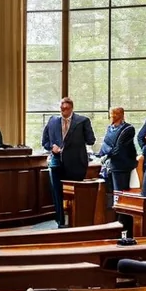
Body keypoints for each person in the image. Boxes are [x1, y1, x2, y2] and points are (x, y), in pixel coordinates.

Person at [41, 97, 96, 227]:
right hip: (56, 162)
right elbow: (45, 141)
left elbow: (91, 140)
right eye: (61, 108)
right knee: (57, 193)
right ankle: (60, 221)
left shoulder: (82, 121)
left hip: (76, 162)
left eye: (65, 109)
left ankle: (78, 221)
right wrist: (51, 147)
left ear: (71, 108)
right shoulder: (53, 121)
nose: (63, 111)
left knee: (76, 194)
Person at [98, 106, 137, 197]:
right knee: (110, 192)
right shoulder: (109, 128)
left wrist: (108, 150)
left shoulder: (128, 129)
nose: (111, 116)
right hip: (110, 164)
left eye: (114, 114)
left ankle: (119, 210)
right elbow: (104, 144)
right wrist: (106, 152)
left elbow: (119, 147)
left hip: (122, 165)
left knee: (119, 193)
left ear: (120, 115)